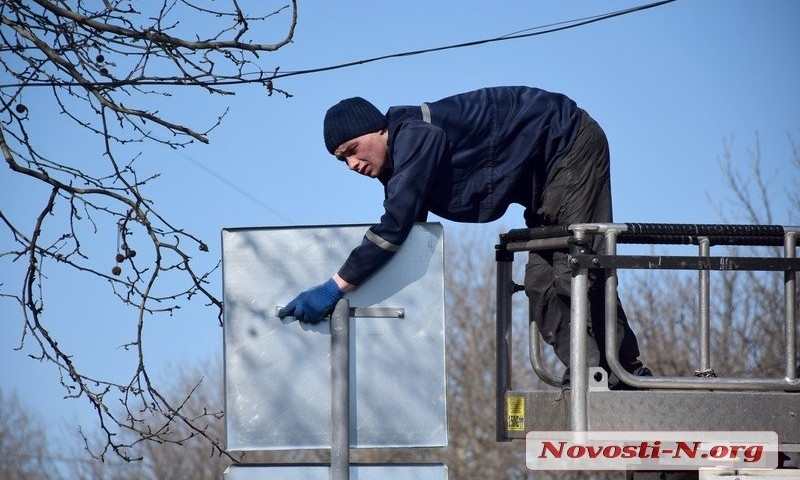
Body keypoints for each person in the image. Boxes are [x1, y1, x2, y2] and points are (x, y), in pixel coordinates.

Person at [277, 86, 650, 388]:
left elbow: (394, 226)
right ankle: (588, 375)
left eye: (352, 150)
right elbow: (404, 235)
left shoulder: (414, 137)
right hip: (542, 179)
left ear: (378, 129)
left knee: (576, 269)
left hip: (567, 142)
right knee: (540, 282)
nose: (352, 165)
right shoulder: (400, 165)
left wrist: (334, 287)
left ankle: (624, 372)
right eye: (342, 161)